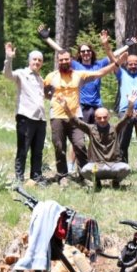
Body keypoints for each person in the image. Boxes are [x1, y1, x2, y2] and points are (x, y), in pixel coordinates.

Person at [44, 49, 118, 185]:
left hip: (75, 116)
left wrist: (116, 65)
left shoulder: (78, 75)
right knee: (59, 146)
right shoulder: (51, 76)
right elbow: (44, 91)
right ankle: (62, 176)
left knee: (80, 144)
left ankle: (85, 175)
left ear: (71, 59)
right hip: (57, 116)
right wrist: (52, 99)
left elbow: (99, 73)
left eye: (66, 59)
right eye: (61, 60)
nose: (64, 62)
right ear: (58, 61)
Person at [39, 25, 119, 123]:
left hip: (97, 105)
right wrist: (47, 39)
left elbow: (114, 54)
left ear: (91, 52)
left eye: (88, 51)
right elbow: (61, 50)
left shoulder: (99, 64)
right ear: (80, 54)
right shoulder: (76, 65)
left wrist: (127, 46)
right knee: (82, 133)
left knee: (98, 133)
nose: (86, 53)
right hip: (82, 106)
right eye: (83, 51)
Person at [64, 92, 137, 189]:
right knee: (85, 170)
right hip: (97, 166)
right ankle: (97, 181)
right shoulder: (91, 129)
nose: (102, 120)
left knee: (126, 168)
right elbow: (76, 121)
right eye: (99, 118)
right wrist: (66, 108)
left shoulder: (115, 128)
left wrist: (131, 104)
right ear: (95, 118)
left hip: (113, 165)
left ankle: (115, 182)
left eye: (104, 117)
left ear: (109, 117)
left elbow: (126, 117)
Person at [3, 43, 47, 183]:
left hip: (40, 119)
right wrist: (9, 58)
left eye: (39, 60)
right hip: (26, 117)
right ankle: (19, 178)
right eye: (34, 59)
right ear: (29, 61)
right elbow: (7, 75)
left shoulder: (41, 79)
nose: (37, 62)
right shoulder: (22, 73)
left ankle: (36, 177)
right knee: (23, 148)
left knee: (38, 150)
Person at [114, 49, 137, 163]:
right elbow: (113, 63)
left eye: (135, 63)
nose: (133, 66)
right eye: (130, 64)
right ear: (126, 64)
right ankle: (122, 166)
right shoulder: (122, 74)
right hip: (125, 112)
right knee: (123, 141)